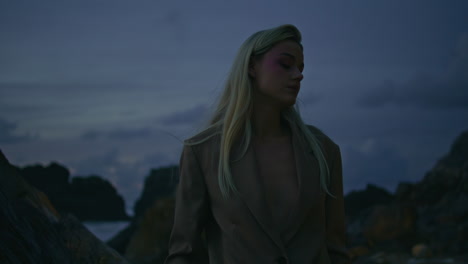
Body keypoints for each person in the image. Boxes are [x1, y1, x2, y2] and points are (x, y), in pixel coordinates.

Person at [165, 24, 350, 264]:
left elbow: (337, 249)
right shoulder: (203, 151)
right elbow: (184, 253)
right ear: (252, 66)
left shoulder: (324, 151)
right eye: (286, 64)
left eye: (301, 68)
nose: (298, 75)